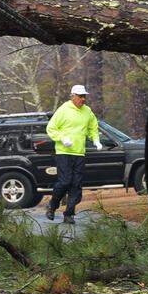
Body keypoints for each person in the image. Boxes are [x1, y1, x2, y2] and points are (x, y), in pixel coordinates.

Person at [45, 84, 101, 224]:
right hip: (64, 152)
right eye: (80, 96)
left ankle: (69, 214)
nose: (83, 99)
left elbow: (93, 127)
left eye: (84, 96)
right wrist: (62, 139)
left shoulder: (87, 111)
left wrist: (96, 140)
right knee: (65, 181)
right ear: (73, 96)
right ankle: (52, 205)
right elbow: (51, 128)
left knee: (76, 185)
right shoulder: (64, 110)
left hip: (79, 153)